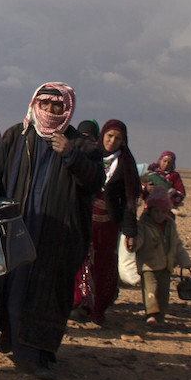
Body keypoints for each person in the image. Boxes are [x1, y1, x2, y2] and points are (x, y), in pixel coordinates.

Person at [0, 83, 103, 380]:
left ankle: (37, 353)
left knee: (48, 297)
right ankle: (17, 344)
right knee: (12, 291)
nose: (51, 111)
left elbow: (93, 183)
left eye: (59, 107)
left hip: (57, 238)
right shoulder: (15, 136)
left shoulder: (81, 145)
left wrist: (71, 155)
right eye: (46, 104)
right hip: (16, 231)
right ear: (36, 103)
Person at [70, 118, 140, 326]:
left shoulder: (126, 164)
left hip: (108, 224)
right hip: (84, 217)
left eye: (118, 138)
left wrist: (130, 231)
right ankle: (79, 304)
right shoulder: (90, 156)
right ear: (103, 136)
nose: (112, 141)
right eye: (110, 136)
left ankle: (98, 308)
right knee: (80, 260)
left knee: (103, 265)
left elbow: (129, 201)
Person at [134, 185, 191, 327]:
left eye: (162, 211)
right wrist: (132, 244)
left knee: (163, 293)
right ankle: (151, 314)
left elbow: (177, 244)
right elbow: (139, 240)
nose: (159, 215)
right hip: (148, 265)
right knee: (151, 290)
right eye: (156, 211)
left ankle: (160, 316)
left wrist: (185, 261)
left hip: (166, 266)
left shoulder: (171, 226)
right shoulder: (143, 225)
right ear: (150, 211)